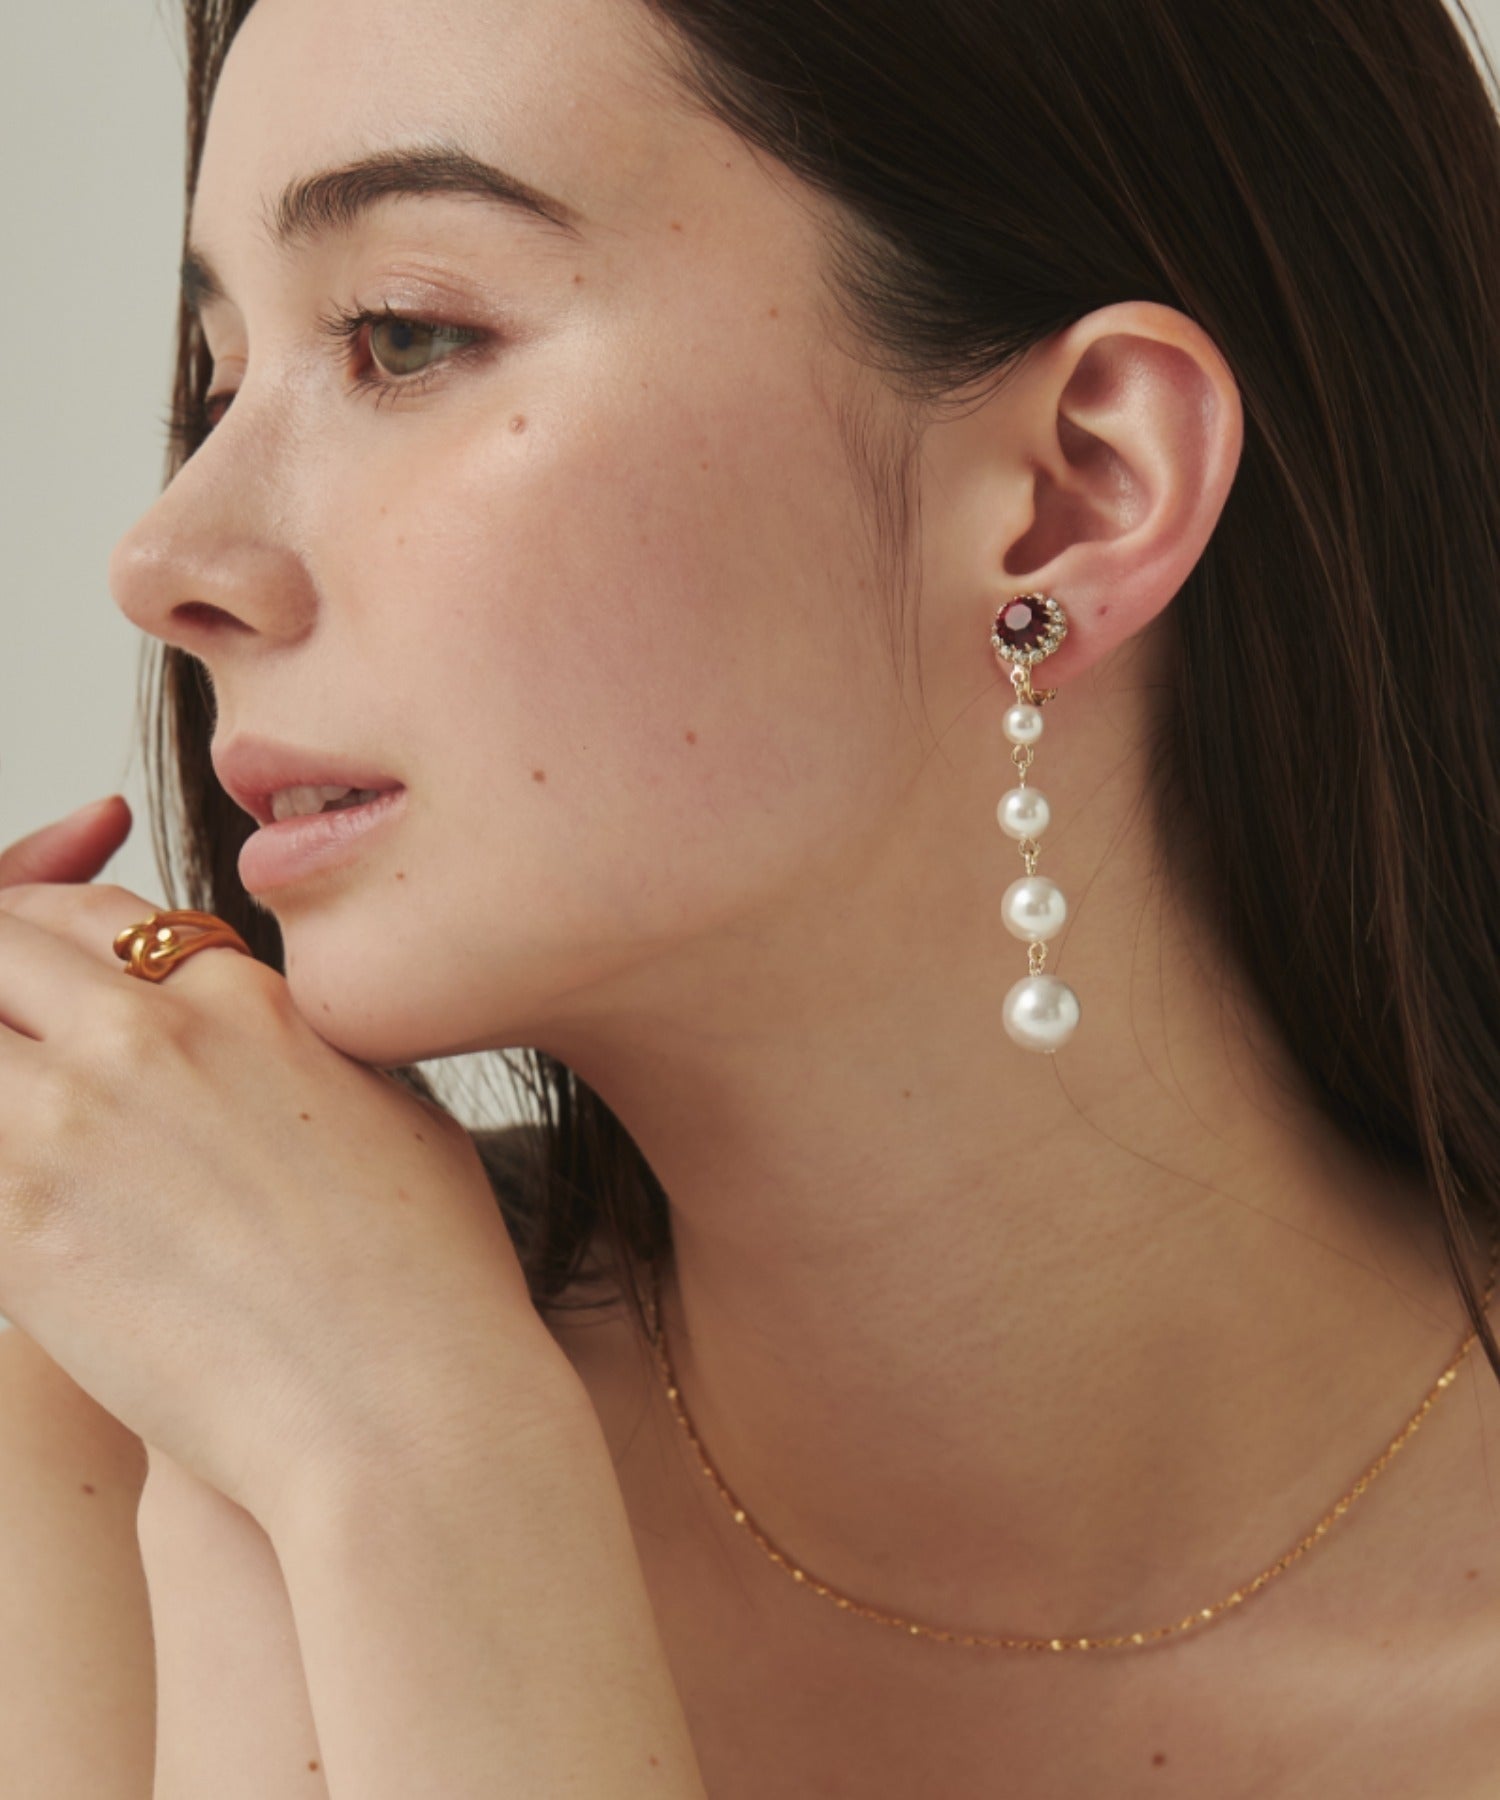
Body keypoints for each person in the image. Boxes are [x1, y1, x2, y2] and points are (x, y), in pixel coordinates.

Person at [6, 0, 1500, 1792]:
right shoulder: (116, 1459)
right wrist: (353, 1446)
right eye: (216, 376)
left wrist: (426, 1488)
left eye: (405, 335)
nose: (165, 558)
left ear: (1076, 491)